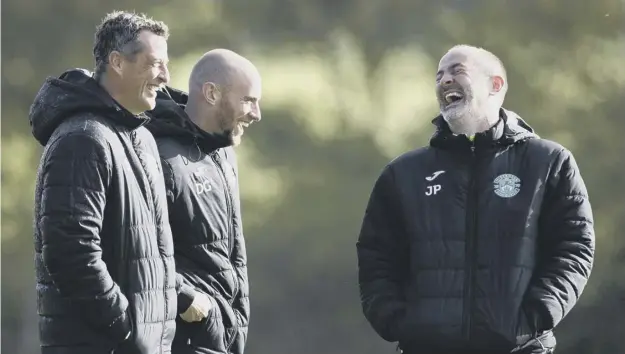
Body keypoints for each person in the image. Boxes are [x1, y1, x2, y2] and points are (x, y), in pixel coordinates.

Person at [356, 44, 595, 354]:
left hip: (521, 348)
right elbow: (377, 256)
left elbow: (574, 246)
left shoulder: (549, 161)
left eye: (458, 71)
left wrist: (538, 314)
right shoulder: (403, 173)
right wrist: (398, 322)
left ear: (495, 85)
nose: (444, 81)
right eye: (439, 75)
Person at [29, 11, 202, 354]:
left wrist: (179, 295)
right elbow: (72, 255)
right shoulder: (83, 139)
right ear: (118, 63)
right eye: (155, 64)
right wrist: (126, 329)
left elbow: (146, 251)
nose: (165, 77)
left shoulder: (142, 139)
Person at [145, 49, 261, 354]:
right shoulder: (156, 152)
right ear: (211, 93)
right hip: (182, 337)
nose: (256, 113)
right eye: (248, 100)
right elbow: (132, 242)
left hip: (222, 338)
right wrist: (184, 297)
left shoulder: (224, 153)